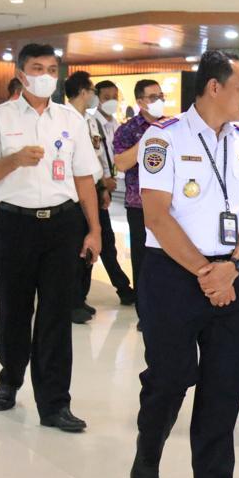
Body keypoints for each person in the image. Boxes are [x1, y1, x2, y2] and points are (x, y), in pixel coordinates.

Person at [129, 50, 239, 478]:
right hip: (173, 275)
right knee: (171, 376)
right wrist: (208, 273)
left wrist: (234, 266)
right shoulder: (163, 138)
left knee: (224, 385)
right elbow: (156, 216)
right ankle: (149, 447)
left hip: (232, 275)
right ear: (214, 87)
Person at [0, 43, 102, 433]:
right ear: (21, 74)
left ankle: (55, 403)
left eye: (52, 69)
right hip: (15, 225)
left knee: (56, 315)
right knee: (13, 309)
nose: (46, 76)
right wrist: (14, 160)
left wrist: (94, 229)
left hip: (62, 224)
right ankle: (10, 378)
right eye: (37, 68)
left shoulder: (71, 119)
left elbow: (84, 178)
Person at [113, 79, 165, 320]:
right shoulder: (128, 130)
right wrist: (148, 138)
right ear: (141, 102)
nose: (159, 101)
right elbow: (122, 163)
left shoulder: (173, 125)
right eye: (153, 97)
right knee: (142, 260)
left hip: (169, 205)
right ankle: (145, 313)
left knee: (168, 258)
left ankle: (166, 308)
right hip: (139, 205)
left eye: (161, 96)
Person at [64, 71, 106, 325]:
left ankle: (81, 297)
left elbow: (98, 156)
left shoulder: (90, 121)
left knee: (91, 247)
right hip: (72, 194)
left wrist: (102, 188)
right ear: (83, 91)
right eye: (92, 91)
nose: (93, 96)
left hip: (92, 188)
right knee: (74, 251)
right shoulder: (64, 118)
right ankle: (71, 301)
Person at [92, 79, 136, 307]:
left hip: (109, 184)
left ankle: (123, 287)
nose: (111, 101)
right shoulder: (92, 124)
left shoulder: (116, 125)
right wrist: (103, 184)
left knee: (106, 240)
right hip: (96, 186)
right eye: (106, 97)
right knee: (103, 239)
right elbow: (95, 158)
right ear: (96, 98)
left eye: (114, 97)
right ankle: (122, 288)